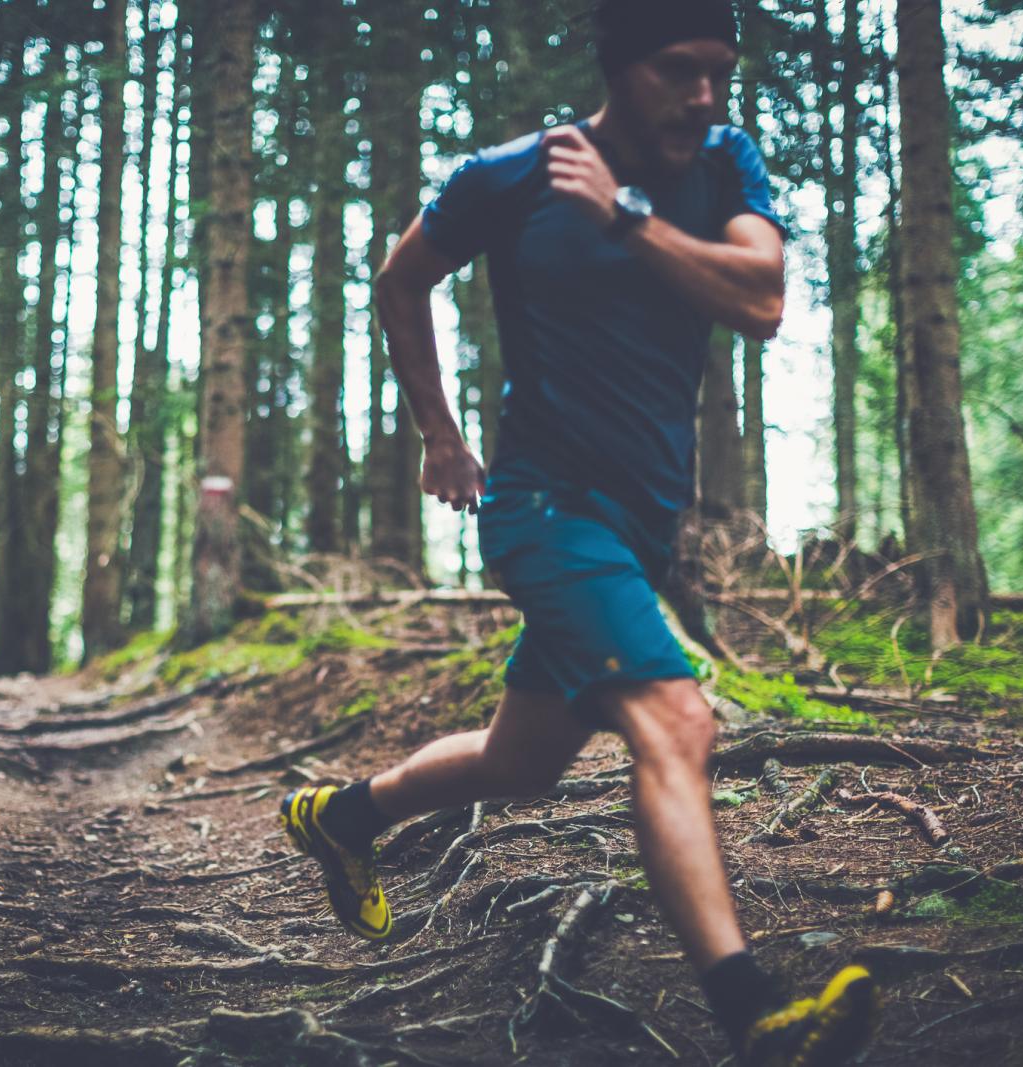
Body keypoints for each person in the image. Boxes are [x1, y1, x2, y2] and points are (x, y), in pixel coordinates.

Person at [281, 1, 878, 1063]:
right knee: (677, 719)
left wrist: (629, 217)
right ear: (616, 67)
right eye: (676, 72)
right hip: (543, 508)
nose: (702, 96)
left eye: (717, 73)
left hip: (638, 526)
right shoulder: (509, 176)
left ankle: (342, 817)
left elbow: (762, 299)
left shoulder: (721, 163)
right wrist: (438, 433)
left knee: (521, 762)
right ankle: (758, 1018)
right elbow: (399, 276)